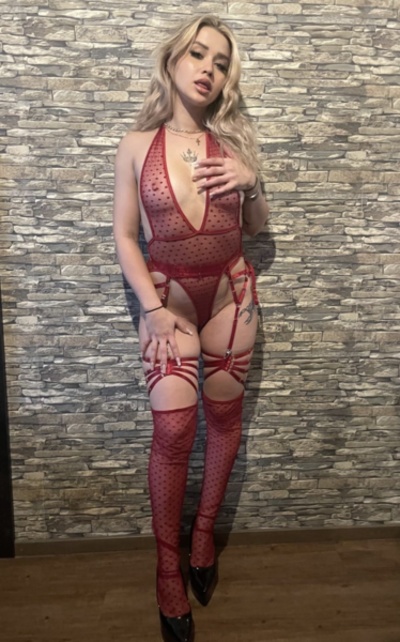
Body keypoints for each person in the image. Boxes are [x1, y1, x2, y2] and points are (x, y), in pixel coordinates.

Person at [113, 14, 269, 642]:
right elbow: (125, 235)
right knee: (174, 430)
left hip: (232, 297)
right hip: (169, 306)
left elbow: (254, 227)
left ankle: (203, 536)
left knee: (224, 421)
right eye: (198, 54)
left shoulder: (235, 143)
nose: (208, 69)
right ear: (173, 60)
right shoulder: (135, 144)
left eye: (221, 62)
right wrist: (151, 310)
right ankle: (166, 570)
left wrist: (252, 182)